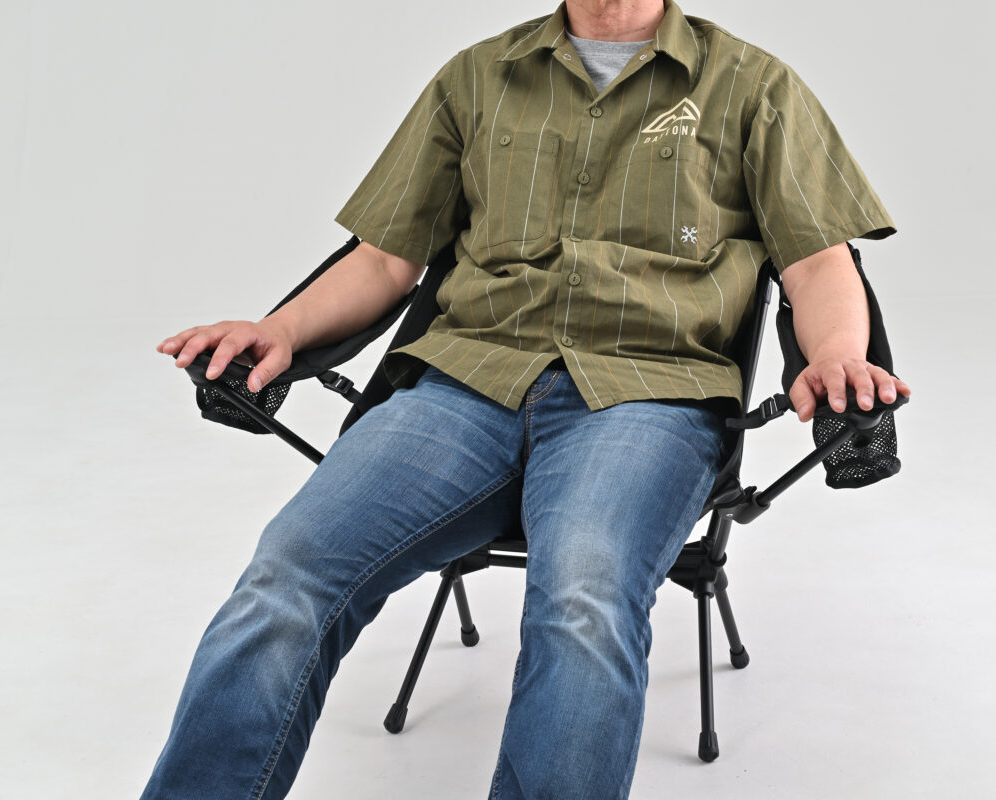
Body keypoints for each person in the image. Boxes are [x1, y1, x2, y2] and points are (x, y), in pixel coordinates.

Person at [144, 1, 911, 797]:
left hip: (648, 396)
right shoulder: (477, 77)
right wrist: (280, 329)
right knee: (288, 571)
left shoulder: (756, 86)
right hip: (464, 383)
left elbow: (819, 264)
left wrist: (836, 357)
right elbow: (384, 260)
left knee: (585, 598)